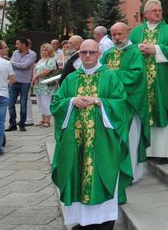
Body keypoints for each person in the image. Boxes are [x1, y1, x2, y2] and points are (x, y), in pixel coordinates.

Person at [51, 39, 131, 229]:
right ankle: (81, 221)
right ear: (78, 54)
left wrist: (99, 101)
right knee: (77, 176)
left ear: (99, 54)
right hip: (75, 143)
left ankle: (104, 221)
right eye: (84, 52)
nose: (88, 56)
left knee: (103, 175)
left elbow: (121, 104)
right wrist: (71, 101)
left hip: (103, 142)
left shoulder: (111, 77)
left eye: (92, 52)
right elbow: (56, 103)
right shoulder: (71, 79)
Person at [130, 0, 168, 164]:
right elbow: (129, 52)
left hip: (163, 82)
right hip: (143, 82)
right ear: (146, 14)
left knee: (162, 113)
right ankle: (147, 151)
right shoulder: (136, 32)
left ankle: (164, 153)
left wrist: (156, 49)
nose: (158, 13)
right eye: (154, 11)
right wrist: (138, 50)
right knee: (145, 112)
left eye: (160, 10)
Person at [101, 22, 148, 183]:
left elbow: (136, 75)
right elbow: (101, 74)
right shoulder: (108, 53)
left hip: (130, 103)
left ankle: (131, 174)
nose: (117, 37)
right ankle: (116, 173)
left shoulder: (135, 52)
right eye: (113, 34)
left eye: (120, 34)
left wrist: (113, 74)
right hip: (111, 105)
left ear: (127, 33)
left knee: (130, 139)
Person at [7, 37, 36, 132]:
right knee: (11, 104)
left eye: (18, 43)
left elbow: (25, 66)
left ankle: (22, 124)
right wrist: (15, 64)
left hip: (25, 82)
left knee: (23, 104)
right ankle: (12, 123)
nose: (16, 45)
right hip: (14, 81)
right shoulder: (15, 53)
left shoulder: (32, 54)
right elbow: (11, 66)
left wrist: (13, 63)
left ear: (24, 44)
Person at [32, 43, 58, 128]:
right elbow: (35, 70)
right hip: (38, 84)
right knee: (40, 102)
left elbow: (47, 71)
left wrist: (36, 76)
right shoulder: (40, 60)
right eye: (42, 50)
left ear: (50, 51)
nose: (43, 51)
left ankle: (47, 120)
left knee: (46, 101)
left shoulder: (51, 60)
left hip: (46, 84)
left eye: (45, 50)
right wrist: (34, 77)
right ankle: (42, 118)